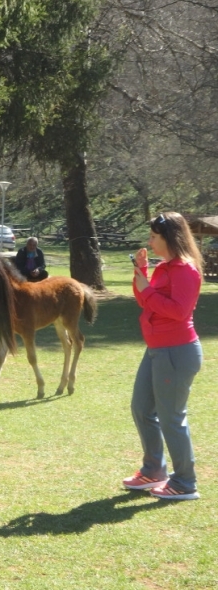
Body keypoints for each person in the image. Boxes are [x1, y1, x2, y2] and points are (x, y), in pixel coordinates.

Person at [122, 212, 203, 500]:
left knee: (171, 417)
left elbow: (179, 311)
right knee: (141, 409)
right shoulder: (164, 268)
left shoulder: (185, 270)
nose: (149, 241)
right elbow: (145, 299)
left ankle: (184, 482)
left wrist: (147, 290)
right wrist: (141, 273)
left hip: (176, 352)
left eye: (154, 237)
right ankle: (153, 471)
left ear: (169, 238)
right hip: (156, 349)